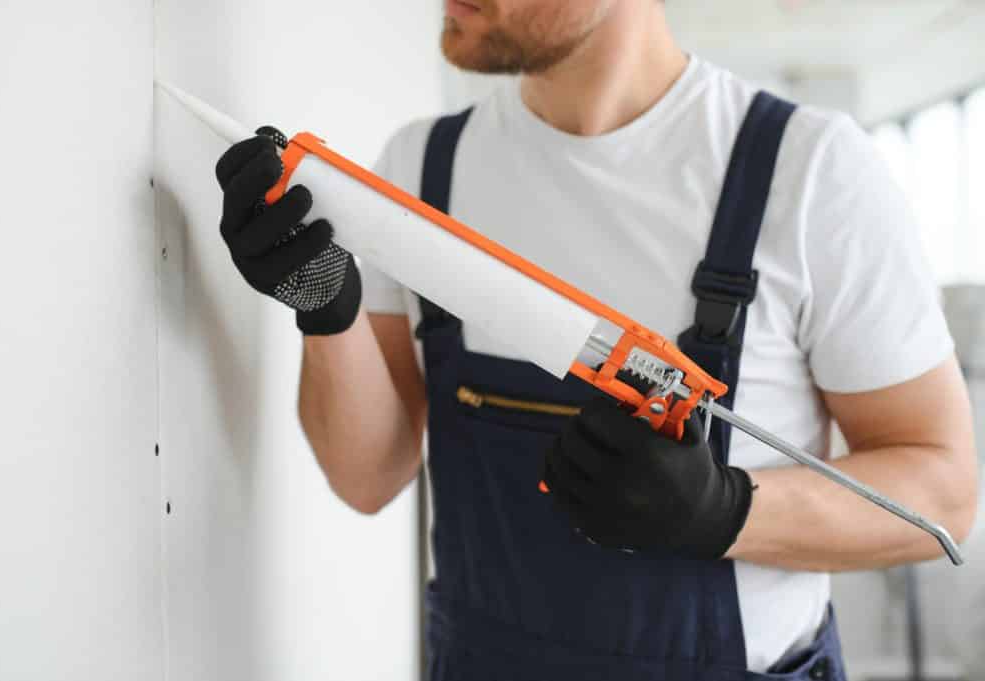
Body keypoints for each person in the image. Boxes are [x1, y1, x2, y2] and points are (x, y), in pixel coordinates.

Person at [212, 1, 978, 678]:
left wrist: (727, 510)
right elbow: (367, 475)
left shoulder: (808, 173)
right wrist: (325, 308)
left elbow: (944, 493)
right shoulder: (418, 171)